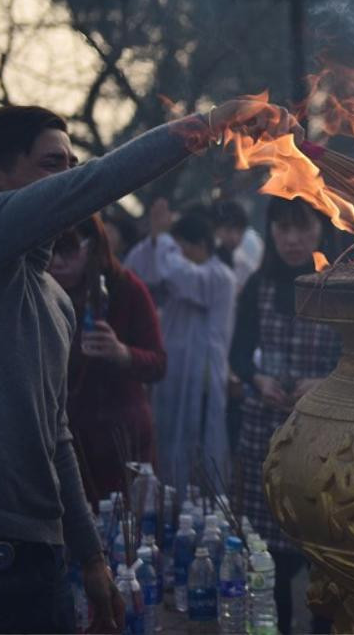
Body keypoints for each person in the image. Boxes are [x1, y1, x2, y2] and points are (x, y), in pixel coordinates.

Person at [0, 98, 299, 634]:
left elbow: (56, 436)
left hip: (35, 564)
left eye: (72, 164)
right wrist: (210, 125)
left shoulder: (55, 298)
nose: (70, 178)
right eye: (53, 165)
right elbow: (95, 184)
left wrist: (93, 558)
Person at [230, 196, 340, 635]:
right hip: (265, 431)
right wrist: (257, 380)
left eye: (302, 228)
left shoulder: (338, 284)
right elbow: (238, 353)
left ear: (322, 229)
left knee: (324, 560)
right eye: (281, 229)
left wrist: (324, 383)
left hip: (324, 437)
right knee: (268, 562)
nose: (291, 240)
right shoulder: (260, 286)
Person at [48, 215, 167, 504]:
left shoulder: (126, 288)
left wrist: (122, 353)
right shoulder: (42, 293)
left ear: (91, 246)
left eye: (69, 250)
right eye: (51, 250)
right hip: (66, 440)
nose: (58, 261)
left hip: (124, 439)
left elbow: (158, 363)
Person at [124, 200, 237, 495]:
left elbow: (183, 276)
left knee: (199, 449)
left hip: (202, 378)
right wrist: (154, 239)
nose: (176, 255)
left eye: (181, 247)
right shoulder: (178, 271)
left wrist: (162, 238)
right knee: (167, 441)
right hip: (174, 375)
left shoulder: (219, 277)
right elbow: (139, 270)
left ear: (200, 245)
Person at [213, 198, 264, 291]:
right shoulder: (206, 258)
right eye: (228, 230)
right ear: (216, 229)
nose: (234, 238)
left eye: (240, 231)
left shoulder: (245, 264)